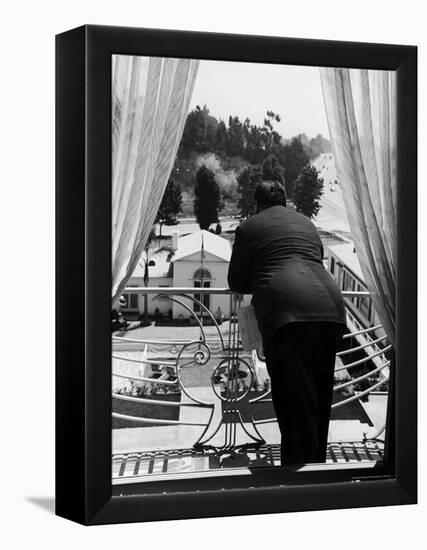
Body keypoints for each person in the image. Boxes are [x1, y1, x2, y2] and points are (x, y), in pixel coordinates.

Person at [227, 180, 346, 466]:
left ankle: (296, 480)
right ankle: (316, 470)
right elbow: (315, 258)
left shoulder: (248, 228)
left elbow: (236, 282)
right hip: (330, 310)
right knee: (318, 399)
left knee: (293, 404)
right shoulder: (307, 224)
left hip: (287, 317)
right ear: (285, 201)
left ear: (257, 204)